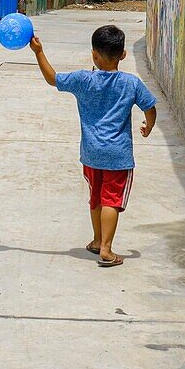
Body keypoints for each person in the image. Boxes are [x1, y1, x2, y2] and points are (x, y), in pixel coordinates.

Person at [28, 25, 157, 268]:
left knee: (96, 198)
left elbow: (52, 78)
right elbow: (150, 107)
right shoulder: (131, 83)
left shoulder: (83, 80)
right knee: (112, 200)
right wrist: (148, 126)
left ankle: (98, 240)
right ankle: (106, 249)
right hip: (118, 156)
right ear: (123, 55)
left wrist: (38, 52)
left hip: (91, 153)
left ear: (94, 55)